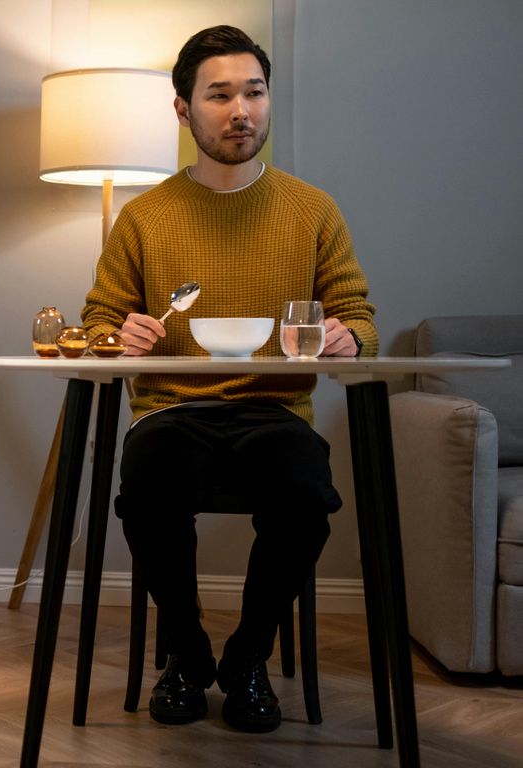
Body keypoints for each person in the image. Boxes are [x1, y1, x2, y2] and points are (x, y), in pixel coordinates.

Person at [79, 25, 377, 733]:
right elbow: (96, 322)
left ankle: (247, 657)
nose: (241, 109)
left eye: (255, 91)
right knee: (147, 483)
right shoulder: (144, 217)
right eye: (220, 95)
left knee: (307, 489)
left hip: (276, 411)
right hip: (168, 411)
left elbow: (358, 315)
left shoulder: (313, 210)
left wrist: (348, 337)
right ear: (183, 110)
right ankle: (186, 653)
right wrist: (118, 336)